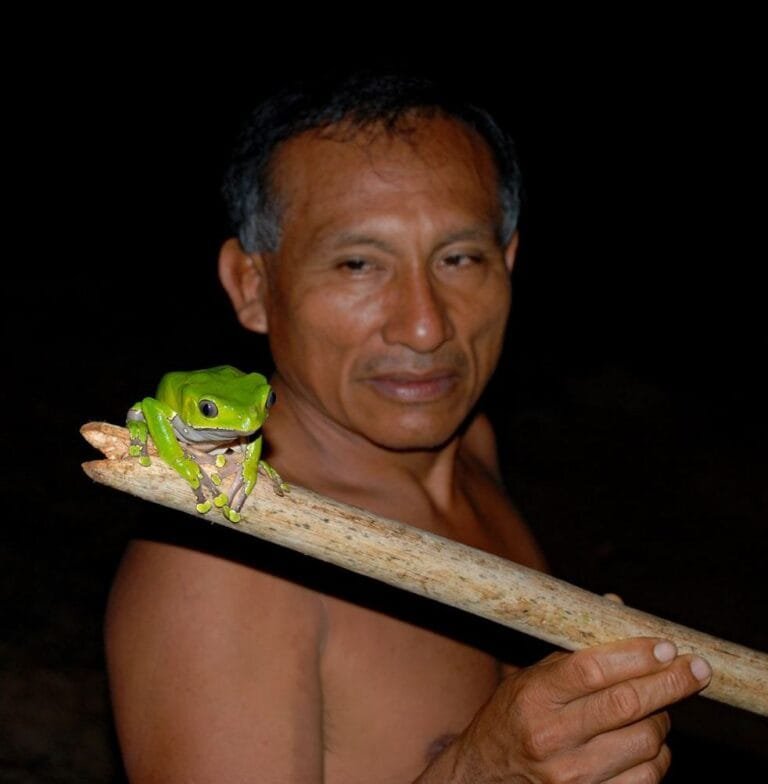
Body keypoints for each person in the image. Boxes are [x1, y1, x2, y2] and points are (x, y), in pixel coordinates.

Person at [105, 70, 712, 782]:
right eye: (359, 263)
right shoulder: (226, 558)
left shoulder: (471, 446)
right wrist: (485, 772)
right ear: (253, 286)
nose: (425, 326)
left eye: (459, 258)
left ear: (509, 262)